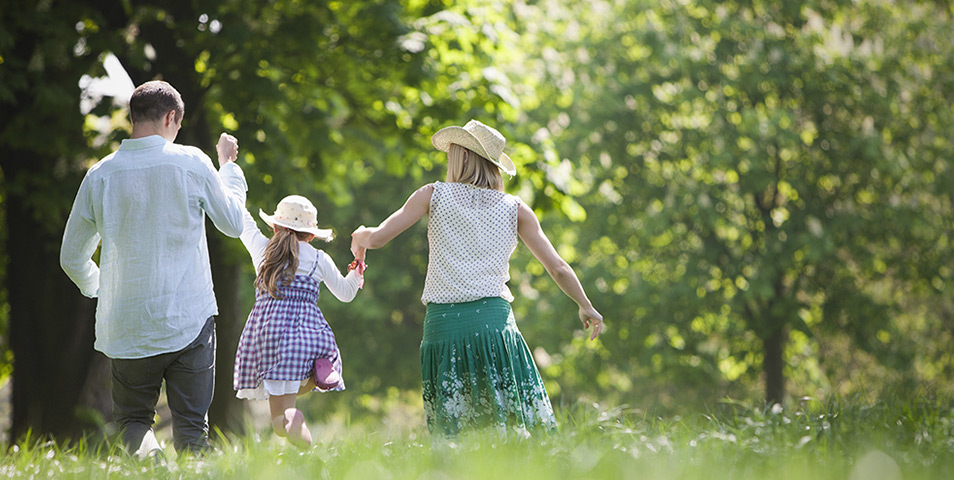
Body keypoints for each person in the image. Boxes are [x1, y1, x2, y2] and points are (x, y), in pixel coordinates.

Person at [350, 120, 604, 435]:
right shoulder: (516, 209)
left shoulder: (432, 195)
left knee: (457, 433)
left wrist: (359, 237)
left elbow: (376, 239)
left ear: (465, 157)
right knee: (507, 424)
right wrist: (584, 304)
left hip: (444, 325)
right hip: (494, 326)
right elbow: (558, 267)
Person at [59, 80, 246, 455]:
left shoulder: (100, 175)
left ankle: (153, 470)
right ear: (171, 117)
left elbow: (71, 258)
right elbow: (233, 223)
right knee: (193, 428)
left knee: (132, 423)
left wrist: (101, 287)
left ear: (133, 118)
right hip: (188, 319)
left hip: (127, 323)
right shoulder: (192, 162)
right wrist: (229, 168)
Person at [233, 194, 364, 447]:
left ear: (275, 227)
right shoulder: (319, 258)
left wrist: (228, 169)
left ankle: (294, 419)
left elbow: (242, 218)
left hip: (270, 338)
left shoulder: (264, 251)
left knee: (278, 421)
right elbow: (346, 294)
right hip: (307, 337)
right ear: (311, 235)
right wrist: (358, 267)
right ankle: (316, 373)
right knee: (293, 382)